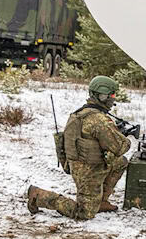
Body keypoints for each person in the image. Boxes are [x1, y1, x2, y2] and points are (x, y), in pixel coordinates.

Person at [26, 76, 131, 219]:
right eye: (112, 95)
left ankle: (100, 201)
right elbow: (120, 147)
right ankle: (39, 195)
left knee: (120, 162)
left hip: (79, 163)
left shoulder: (82, 113)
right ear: (102, 96)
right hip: (88, 170)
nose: (113, 99)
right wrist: (124, 137)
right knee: (83, 213)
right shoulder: (98, 119)